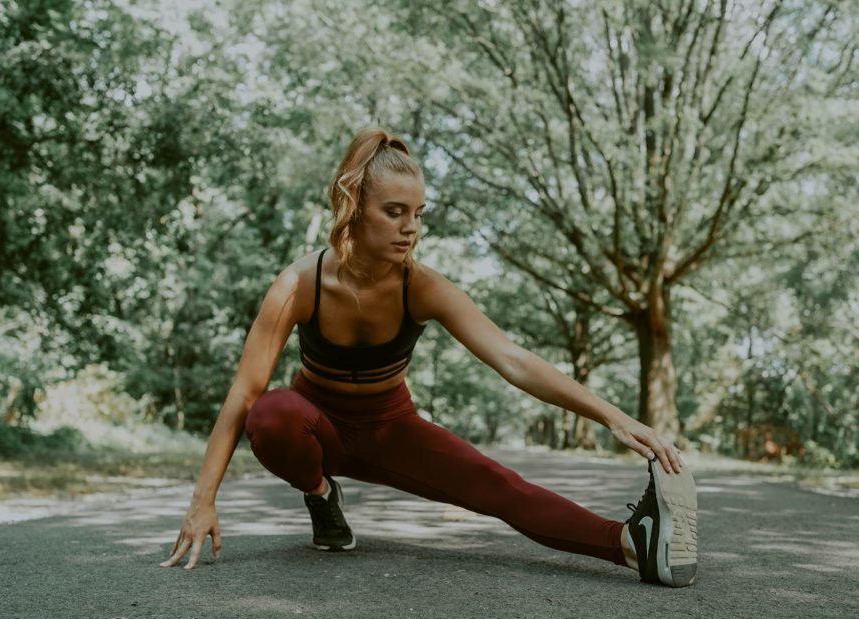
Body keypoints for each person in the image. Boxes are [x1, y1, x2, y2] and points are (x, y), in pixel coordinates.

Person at [160, 127, 698, 587]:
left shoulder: (422, 286)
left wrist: (615, 417)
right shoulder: (298, 285)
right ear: (353, 208)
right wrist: (202, 501)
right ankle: (322, 495)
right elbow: (244, 393)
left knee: (498, 486)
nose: (410, 227)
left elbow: (512, 359)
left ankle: (635, 545)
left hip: (390, 428)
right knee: (272, 414)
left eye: (418, 213)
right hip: (314, 427)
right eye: (394, 212)